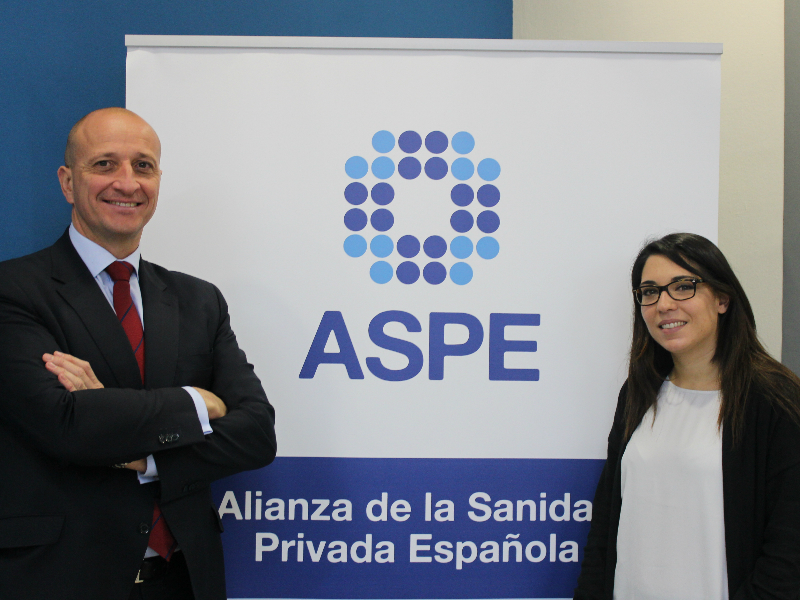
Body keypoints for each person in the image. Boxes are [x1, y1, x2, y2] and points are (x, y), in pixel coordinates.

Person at [0, 107, 277, 600]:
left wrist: (140, 454)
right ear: (68, 182)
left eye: (143, 166)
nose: (127, 182)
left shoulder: (199, 300)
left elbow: (256, 434)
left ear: (158, 182)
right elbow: (65, 424)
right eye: (104, 164)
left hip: (184, 580)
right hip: (61, 580)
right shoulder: (14, 291)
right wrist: (198, 402)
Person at [573, 233, 800, 600]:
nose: (664, 304)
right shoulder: (639, 392)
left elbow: (787, 555)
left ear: (723, 298)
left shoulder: (775, 400)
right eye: (650, 292)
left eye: (683, 287)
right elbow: (604, 528)